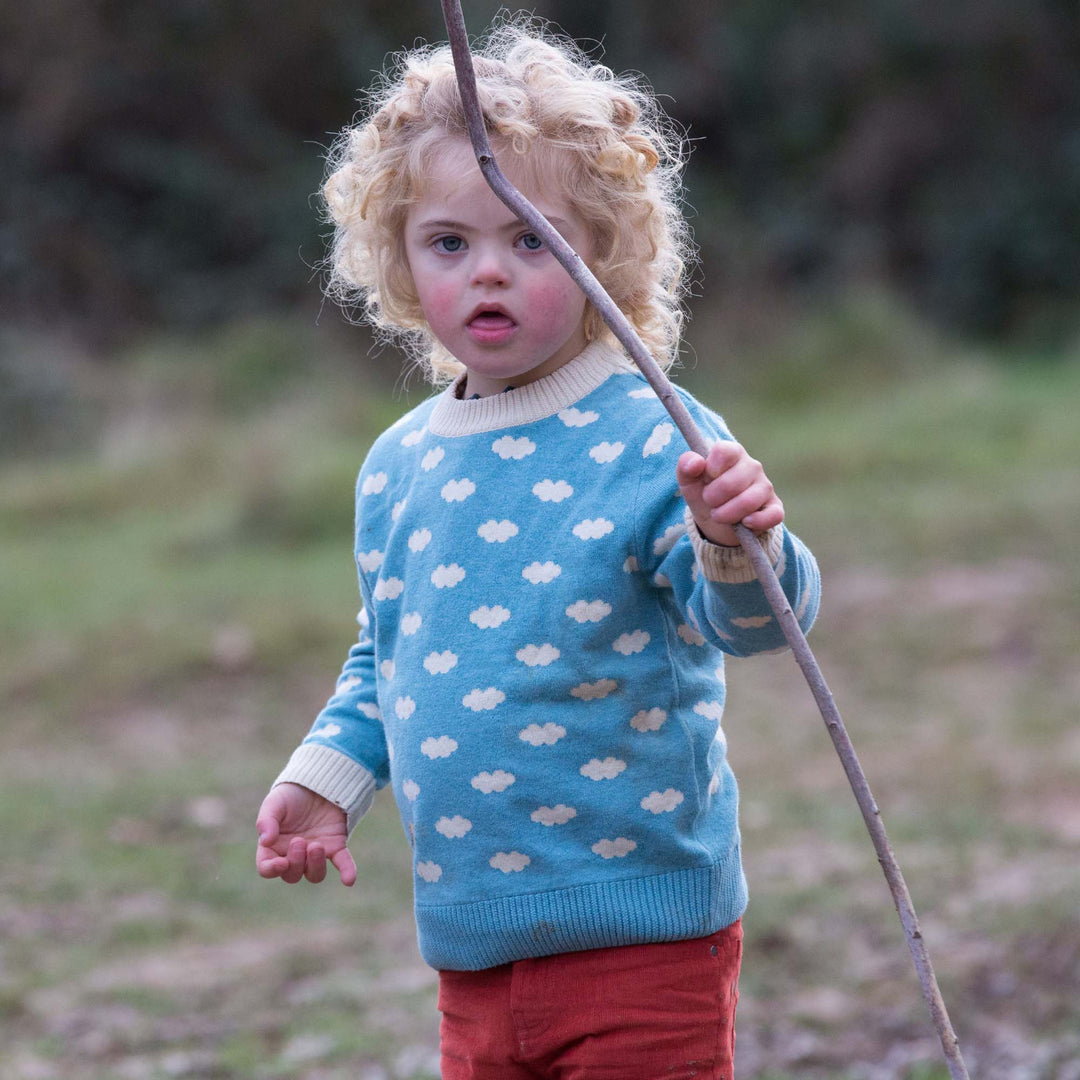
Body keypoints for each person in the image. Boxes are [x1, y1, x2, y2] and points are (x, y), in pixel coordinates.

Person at [256, 19, 820, 1079]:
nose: (489, 276)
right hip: (473, 946)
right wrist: (328, 777)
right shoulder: (398, 465)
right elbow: (390, 652)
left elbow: (752, 627)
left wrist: (739, 540)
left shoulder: (660, 433)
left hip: (644, 937)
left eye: (532, 240)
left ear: (605, 252)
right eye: (449, 243)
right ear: (399, 256)